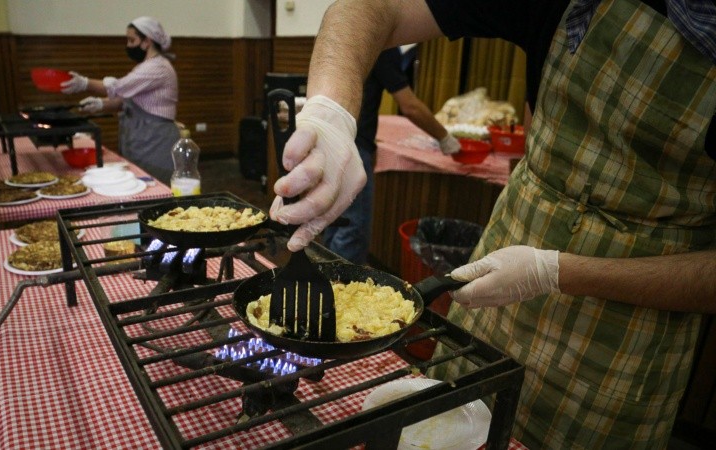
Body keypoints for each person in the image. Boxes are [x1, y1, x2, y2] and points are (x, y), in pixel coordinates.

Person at [269, 0, 716, 448]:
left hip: (633, 323)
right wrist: (331, 111)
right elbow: (368, 7)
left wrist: (553, 271)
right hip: (506, 263)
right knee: (447, 425)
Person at [322, 45, 459, 264]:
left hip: (329, 138)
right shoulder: (382, 47)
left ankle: (326, 272)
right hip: (352, 146)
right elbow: (410, 106)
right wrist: (445, 137)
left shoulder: (348, 41)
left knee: (335, 219)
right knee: (353, 227)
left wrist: (370, 145)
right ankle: (341, 281)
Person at [60, 16, 179, 183]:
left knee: (156, 185)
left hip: (155, 141)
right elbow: (127, 99)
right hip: (141, 138)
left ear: (147, 41)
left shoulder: (158, 67)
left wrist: (84, 83)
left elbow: (119, 87)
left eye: (132, 40)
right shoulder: (146, 66)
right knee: (138, 181)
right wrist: (101, 104)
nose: (128, 46)